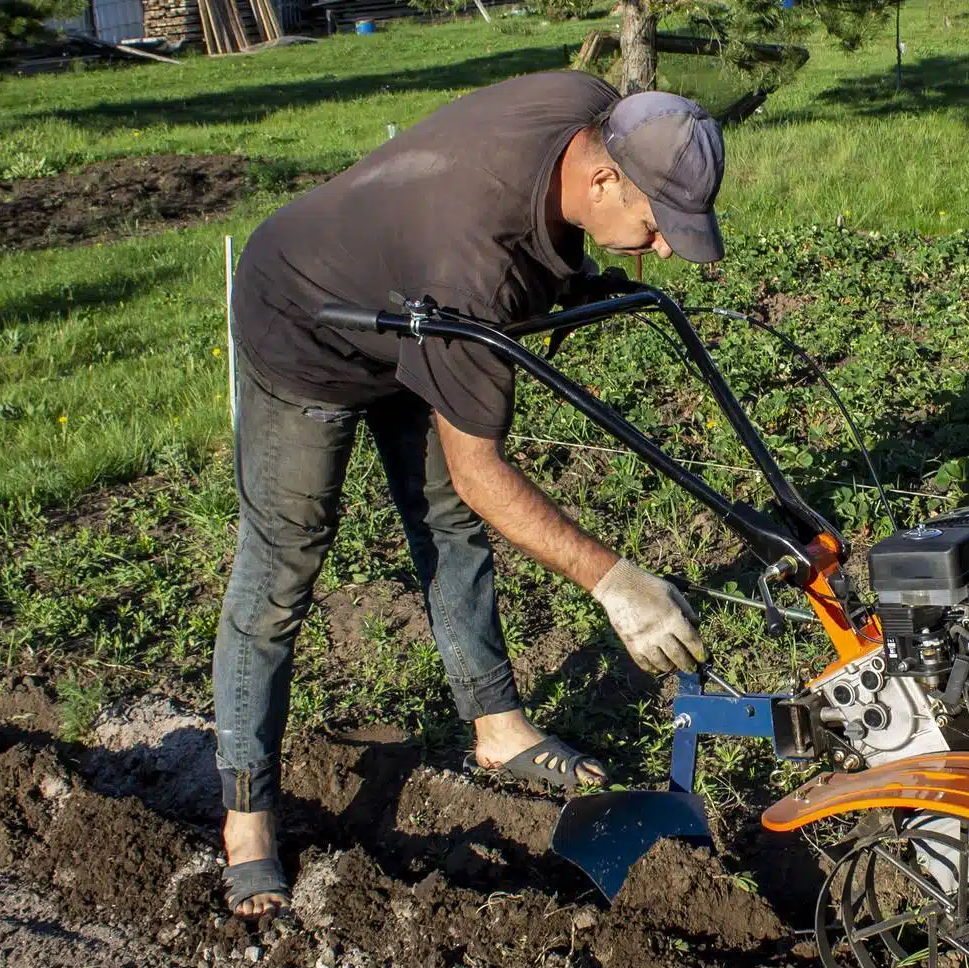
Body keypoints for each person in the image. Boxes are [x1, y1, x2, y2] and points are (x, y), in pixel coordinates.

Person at [215, 71, 722, 919]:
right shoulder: (474, 268)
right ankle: (247, 817)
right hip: (304, 326)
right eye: (656, 225)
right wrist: (613, 583)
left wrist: (570, 276)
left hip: (409, 304)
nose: (663, 249)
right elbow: (485, 473)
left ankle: (498, 728)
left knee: (447, 522)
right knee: (283, 567)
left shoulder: (592, 109)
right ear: (602, 180)